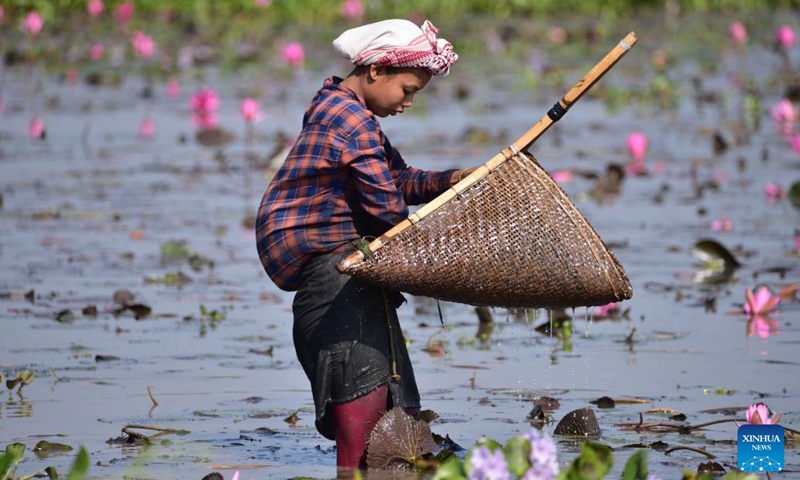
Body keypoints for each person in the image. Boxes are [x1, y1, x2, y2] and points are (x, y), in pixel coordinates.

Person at [255, 18, 475, 470]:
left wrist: (452, 181)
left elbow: (395, 179)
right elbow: (386, 210)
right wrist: (438, 246)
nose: (408, 102)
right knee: (362, 450)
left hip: (352, 275)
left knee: (398, 437)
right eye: (407, 89)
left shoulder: (346, 112)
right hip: (336, 285)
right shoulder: (349, 119)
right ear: (375, 70)